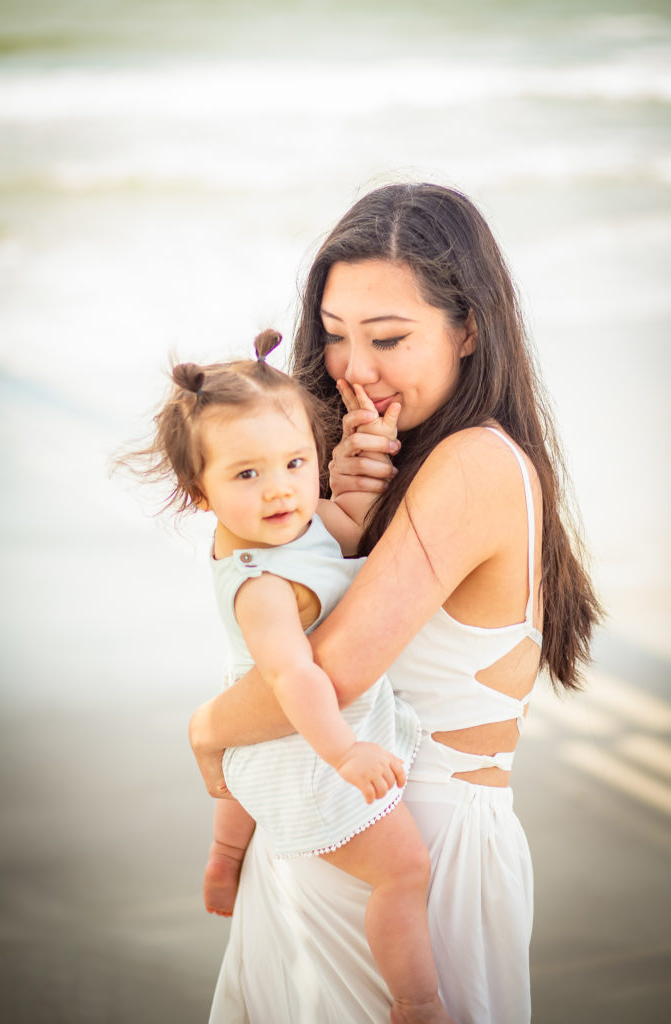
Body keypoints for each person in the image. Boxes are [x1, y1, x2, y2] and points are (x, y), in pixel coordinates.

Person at [189, 183, 602, 1024]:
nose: (353, 368)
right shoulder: (380, 468)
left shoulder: (476, 463)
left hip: (418, 850)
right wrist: (343, 514)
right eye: (335, 335)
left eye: (387, 338)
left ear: (469, 330)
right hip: (331, 828)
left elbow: (331, 672)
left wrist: (204, 732)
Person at [130, 327, 451, 1024]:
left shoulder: (286, 522)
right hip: (300, 743)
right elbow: (292, 681)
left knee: (241, 766)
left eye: (295, 463)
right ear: (199, 492)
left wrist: (367, 446)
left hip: (255, 746)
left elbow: (347, 523)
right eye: (247, 474)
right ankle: (416, 1002)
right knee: (403, 871)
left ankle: (224, 855)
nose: (279, 490)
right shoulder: (261, 587)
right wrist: (344, 750)